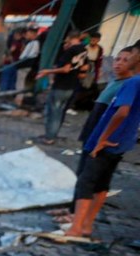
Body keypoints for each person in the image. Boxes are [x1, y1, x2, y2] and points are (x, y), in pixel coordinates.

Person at [66, 49, 140, 237]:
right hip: (122, 141)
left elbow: (122, 112)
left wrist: (102, 138)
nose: (125, 60)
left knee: (86, 181)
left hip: (108, 140)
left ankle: (76, 227)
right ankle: (86, 226)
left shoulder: (132, 82)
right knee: (101, 183)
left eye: (130, 56)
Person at [36, 32, 86, 144]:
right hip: (71, 86)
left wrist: (47, 71)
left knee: (53, 112)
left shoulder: (70, 51)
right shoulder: (83, 50)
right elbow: (84, 68)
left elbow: (66, 69)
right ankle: (53, 135)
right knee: (59, 113)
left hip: (61, 86)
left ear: (70, 38)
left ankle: (49, 137)